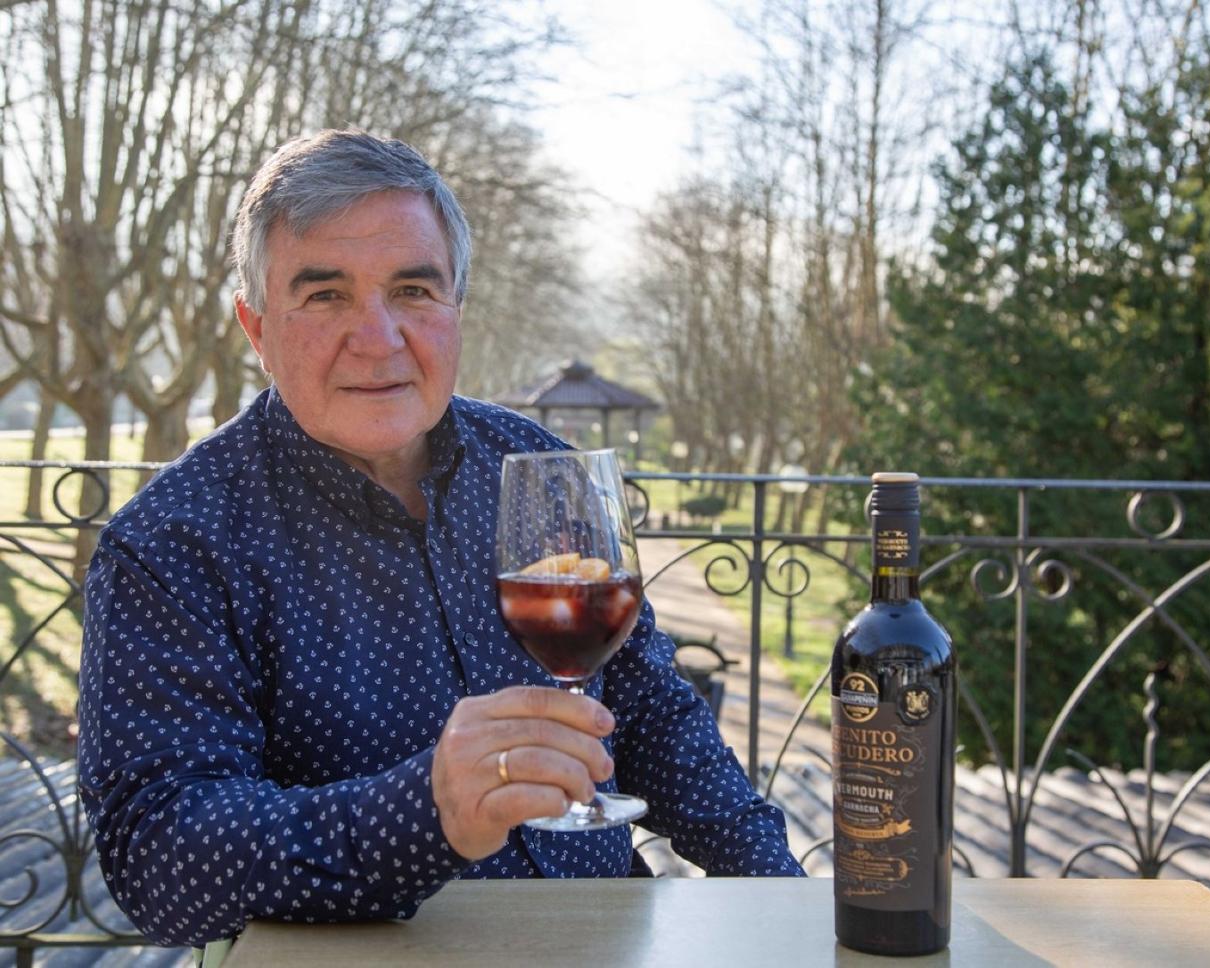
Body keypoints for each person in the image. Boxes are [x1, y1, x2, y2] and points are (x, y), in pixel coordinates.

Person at [77, 129, 803, 949]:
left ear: (456, 309)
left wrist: (787, 900)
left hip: (605, 940)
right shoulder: (173, 544)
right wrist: (425, 811)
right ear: (257, 329)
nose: (378, 337)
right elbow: (159, 857)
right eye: (326, 295)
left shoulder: (541, 471)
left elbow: (648, 715)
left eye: (413, 291)